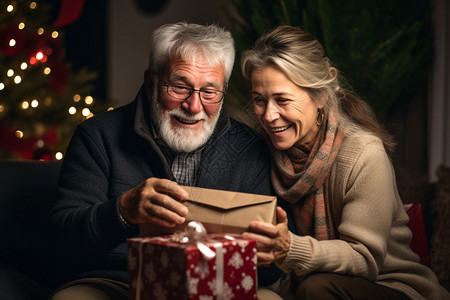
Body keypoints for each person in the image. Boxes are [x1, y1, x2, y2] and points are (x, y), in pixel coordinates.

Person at [46, 22, 288, 300]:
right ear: (150, 83)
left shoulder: (251, 148)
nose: (193, 107)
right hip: (117, 282)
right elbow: (61, 240)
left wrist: (271, 253)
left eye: (209, 92)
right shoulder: (98, 136)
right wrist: (122, 212)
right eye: (179, 87)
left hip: (220, 285)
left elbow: (271, 270)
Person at [240, 25, 450, 300]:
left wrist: (290, 248)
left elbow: (364, 258)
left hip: (389, 286)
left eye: (282, 100)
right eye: (259, 100)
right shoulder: (259, 149)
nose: (268, 115)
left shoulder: (364, 153)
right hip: (298, 283)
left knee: (317, 288)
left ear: (320, 97)